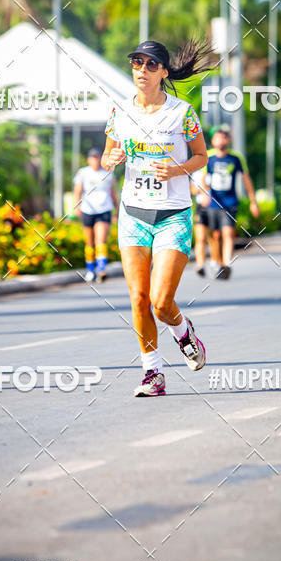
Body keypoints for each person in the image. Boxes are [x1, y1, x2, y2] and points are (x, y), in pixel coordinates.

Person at [101, 39, 209, 397]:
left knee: (162, 302)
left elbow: (201, 157)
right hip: (133, 213)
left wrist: (178, 169)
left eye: (150, 65)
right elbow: (107, 155)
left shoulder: (183, 113)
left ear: (163, 72)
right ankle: (153, 374)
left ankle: (183, 332)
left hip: (172, 215)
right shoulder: (119, 112)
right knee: (138, 298)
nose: (141, 70)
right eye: (136, 63)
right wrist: (110, 161)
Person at [202, 125, 259, 279]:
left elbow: (246, 179)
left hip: (230, 201)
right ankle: (217, 261)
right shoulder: (208, 157)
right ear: (213, 141)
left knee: (227, 232)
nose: (221, 140)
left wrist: (253, 201)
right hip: (213, 202)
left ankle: (226, 264)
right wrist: (204, 193)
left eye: (224, 137)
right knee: (215, 235)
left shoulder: (236, 158)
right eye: (218, 137)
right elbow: (203, 179)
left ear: (228, 139)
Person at [73, 148, 117, 283]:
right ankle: (90, 270)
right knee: (89, 241)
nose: (95, 160)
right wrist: (77, 206)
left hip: (104, 209)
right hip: (88, 209)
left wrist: (117, 209)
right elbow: (78, 190)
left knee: (100, 240)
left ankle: (101, 270)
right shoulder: (83, 173)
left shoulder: (108, 174)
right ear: (88, 159)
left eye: (97, 157)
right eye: (92, 157)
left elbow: (112, 193)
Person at [191, 164, 211, 277]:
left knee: (214, 236)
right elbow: (193, 190)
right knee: (201, 237)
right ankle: (200, 265)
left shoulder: (213, 173)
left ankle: (216, 261)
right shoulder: (196, 173)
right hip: (201, 207)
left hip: (214, 206)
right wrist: (202, 188)